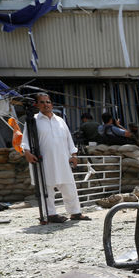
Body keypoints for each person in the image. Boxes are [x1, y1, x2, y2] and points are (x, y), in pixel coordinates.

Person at [21, 93, 90, 223]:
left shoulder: (60, 120)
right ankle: (51, 214)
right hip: (45, 161)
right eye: (42, 102)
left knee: (69, 186)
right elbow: (26, 139)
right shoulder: (33, 121)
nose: (46, 104)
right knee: (46, 187)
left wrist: (74, 154)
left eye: (48, 102)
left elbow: (69, 139)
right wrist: (27, 152)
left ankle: (75, 212)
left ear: (51, 104)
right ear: (37, 105)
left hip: (63, 159)